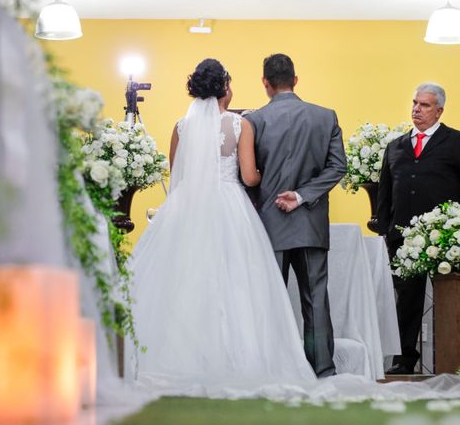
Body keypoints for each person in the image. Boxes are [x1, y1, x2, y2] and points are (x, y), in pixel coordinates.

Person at [127, 59, 317, 388]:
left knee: (186, 280)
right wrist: (265, 176)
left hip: (187, 206)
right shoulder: (238, 125)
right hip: (230, 206)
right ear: (225, 88)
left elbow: (178, 176)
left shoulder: (180, 126)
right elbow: (249, 175)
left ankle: (181, 356)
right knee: (237, 281)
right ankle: (236, 359)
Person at [243, 54, 346, 378]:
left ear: (265, 83)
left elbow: (246, 175)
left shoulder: (254, 120)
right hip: (311, 222)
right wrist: (302, 196)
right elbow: (338, 167)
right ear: (295, 80)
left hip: (269, 224)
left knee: (269, 300)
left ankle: (273, 367)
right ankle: (323, 370)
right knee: (315, 298)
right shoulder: (325, 117)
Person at [377, 82, 460, 375]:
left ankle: (457, 355)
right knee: (406, 300)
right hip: (404, 238)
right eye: (414, 103)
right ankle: (404, 357)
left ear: (439, 110)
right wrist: (387, 229)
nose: (416, 109)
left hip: (446, 239)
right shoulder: (395, 146)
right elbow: (385, 192)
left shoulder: (459, 142)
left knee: (452, 300)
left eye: (424, 105)